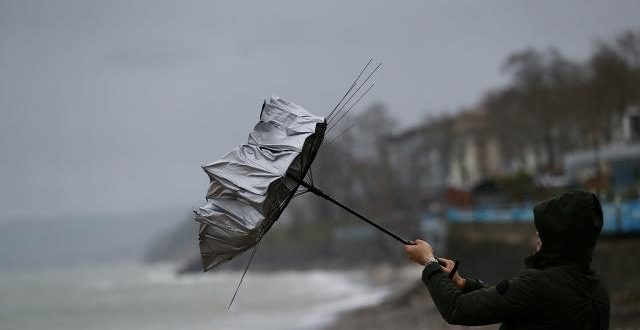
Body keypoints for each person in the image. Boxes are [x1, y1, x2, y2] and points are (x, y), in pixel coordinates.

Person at [404, 190, 610, 329]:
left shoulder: (536, 285)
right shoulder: (597, 290)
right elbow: (514, 303)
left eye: (544, 232)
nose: (537, 236)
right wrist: (463, 283)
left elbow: (458, 309)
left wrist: (429, 262)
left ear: (559, 238)